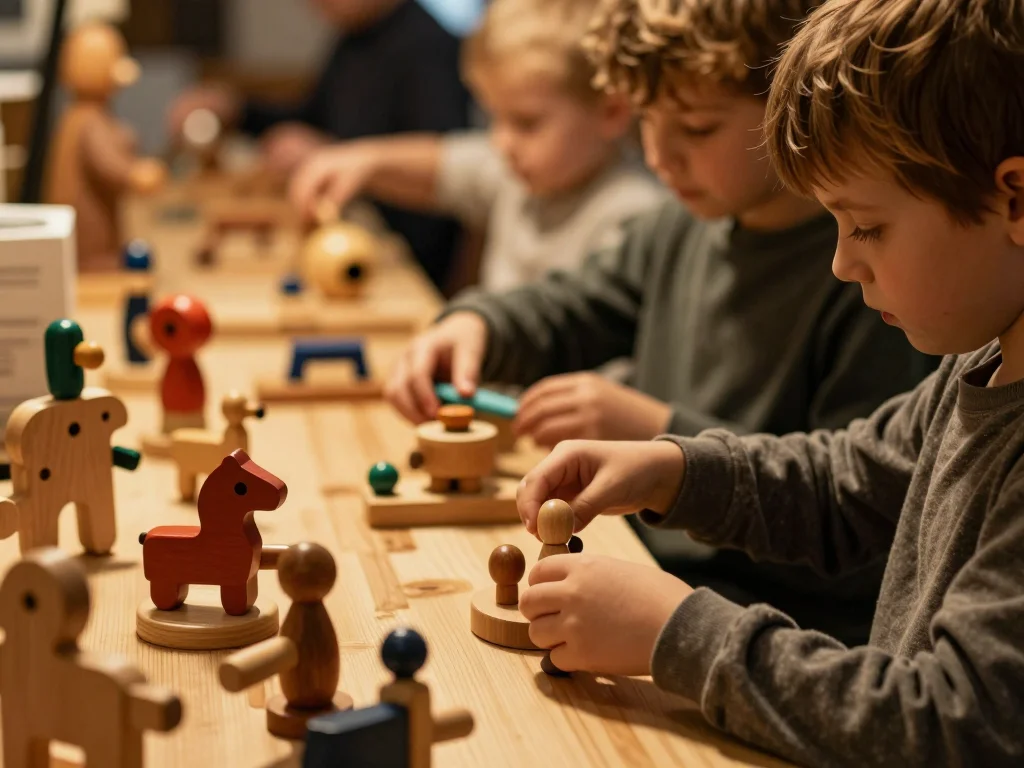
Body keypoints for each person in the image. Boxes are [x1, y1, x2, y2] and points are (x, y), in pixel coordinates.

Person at [514, 0, 1024, 764]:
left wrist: (675, 633)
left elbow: (951, 723)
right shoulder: (978, 360)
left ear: (1015, 200)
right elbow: (847, 483)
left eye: (867, 226)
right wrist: (674, 469)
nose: (842, 262)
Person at [382, 0, 932, 644]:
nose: (661, 154)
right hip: (652, 571)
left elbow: (859, 516)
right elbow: (576, 305)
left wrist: (656, 431)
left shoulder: (874, 278)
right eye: (646, 119)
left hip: (769, 626)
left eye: (697, 128)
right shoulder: (681, 227)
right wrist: (477, 325)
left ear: (793, 113)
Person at [290, 0, 666, 293]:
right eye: (494, 118)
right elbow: (445, 165)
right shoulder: (523, 173)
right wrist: (364, 162)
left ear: (612, 112)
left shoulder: (631, 216)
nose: (502, 142)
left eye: (526, 123)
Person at [166, 0, 470, 290]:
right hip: (346, 229)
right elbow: (310, 119)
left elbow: (441, 163)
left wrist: (332, 153)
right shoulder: (354, 38)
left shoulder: (430, 47)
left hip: (401, 258)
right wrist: (236, 109)